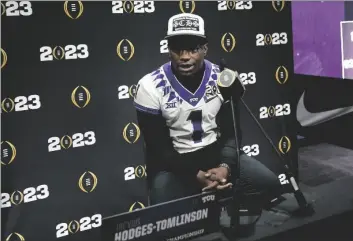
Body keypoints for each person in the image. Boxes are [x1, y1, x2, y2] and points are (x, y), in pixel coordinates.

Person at [133, 13, 282, 236]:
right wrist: (196, 175)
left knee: (269, 183)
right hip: (175, 163)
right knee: (163, 213)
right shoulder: (149, 86)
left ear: (205, 49)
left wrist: (225, 167)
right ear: (168, 48)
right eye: (177, 48)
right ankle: (209, 207)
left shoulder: (223, 78)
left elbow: (233, 133)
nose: (184, 56)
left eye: (192, 48)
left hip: (215, 154)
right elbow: (158, 149)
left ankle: (222, 205)